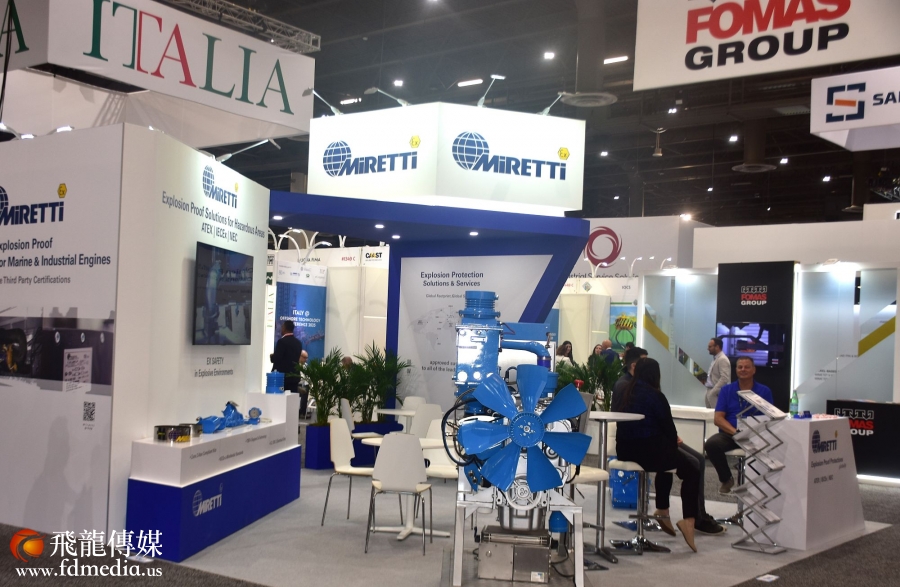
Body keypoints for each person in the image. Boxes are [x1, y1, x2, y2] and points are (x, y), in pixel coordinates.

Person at [612, 358, 702, 552]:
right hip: (648, 452)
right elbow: (669, 428)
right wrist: (674, 442)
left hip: (625, 450)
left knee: (668, 461)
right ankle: (688, 520)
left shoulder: (624, 392)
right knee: (692, 468)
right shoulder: (655, 396)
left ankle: (663, 509)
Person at [704, 356, 773, 494]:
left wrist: (753, 431)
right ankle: (726, 479)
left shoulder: (764, 391)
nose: (743, 370)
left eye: (747, 367)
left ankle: (762, 487)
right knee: (711, 444)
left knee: (770, 445)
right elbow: (718, 419)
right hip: (731, 434)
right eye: (740, 367)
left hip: (755, 434)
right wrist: (735, 432)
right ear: (736, 370)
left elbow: (770, 417)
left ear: (754, 370)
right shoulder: (726, 390)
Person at [271, 321, 303, 394]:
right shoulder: (298, 343)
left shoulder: (282, 342)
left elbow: (277, 359)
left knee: (281, 399)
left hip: (282, 378)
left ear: (284, 328)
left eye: (282, 327)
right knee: (292, 399)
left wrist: (272, 356)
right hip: (294, 377)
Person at [705, 337, 731, 409]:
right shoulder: (716, 358)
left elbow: (724, 378)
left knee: (716, 413)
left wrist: (714, 391)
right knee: (709, 414)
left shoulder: (723, 359)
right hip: (710, 390)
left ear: (717, 347)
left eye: (710, 347)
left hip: (716, 393)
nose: (708, 349)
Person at [297, 350, 310, 418]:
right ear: (300, 356)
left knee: (304, 399)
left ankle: (303, 413)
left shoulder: (306, 366)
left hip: (305, 384)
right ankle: (297, 412)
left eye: (307, 358)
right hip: (298, 384)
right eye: (304, 357)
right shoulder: (295, 365)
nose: (306, 359)